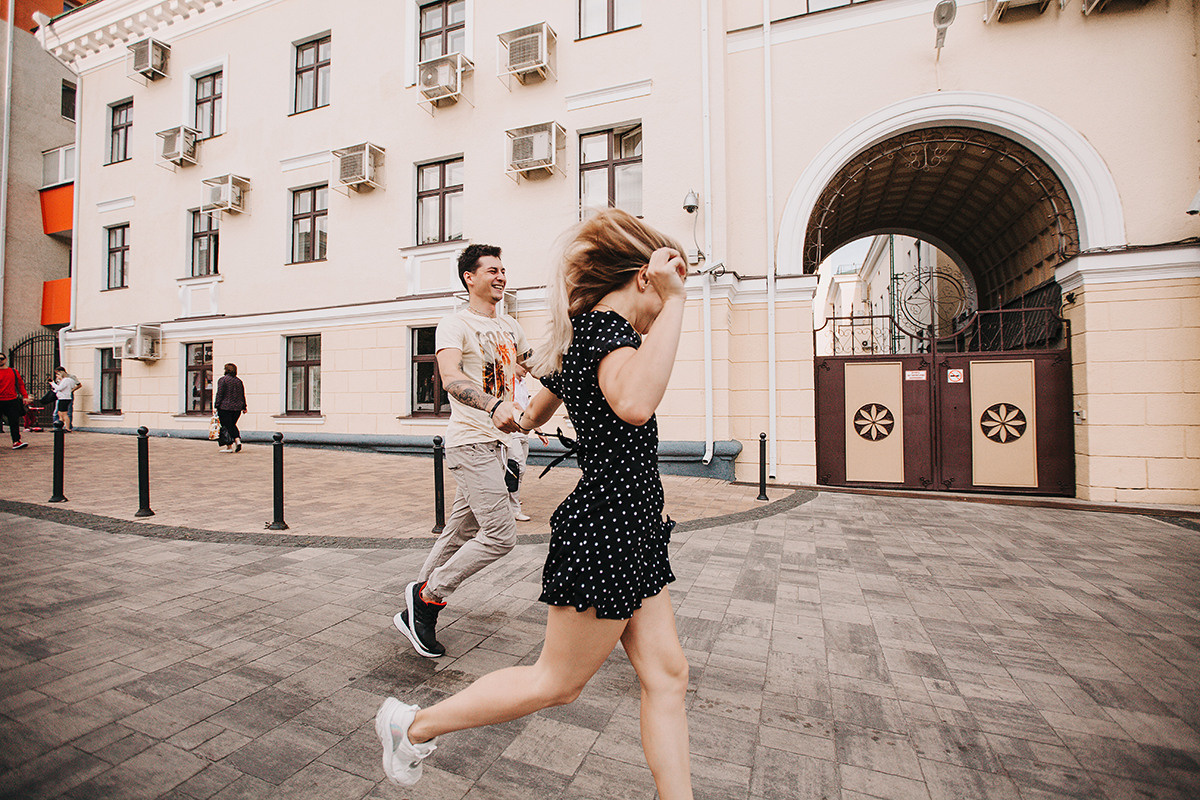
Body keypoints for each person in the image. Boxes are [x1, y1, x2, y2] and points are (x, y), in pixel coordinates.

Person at [377, 209, 694, 799]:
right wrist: (676, 300)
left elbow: (538, 405)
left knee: (668, 675)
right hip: (610, 529)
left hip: (635, 527)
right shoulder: (606, 332)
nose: (663, 313)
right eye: (663, 291)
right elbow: (634, 403)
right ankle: (411, 725)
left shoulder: (590, 339)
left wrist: (519, 415)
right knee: (556, 682)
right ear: (645, 278)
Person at [396, 244, 533, 659]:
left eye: (504, 270)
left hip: (499, 444)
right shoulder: (454, 324)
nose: (501, 277)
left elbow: (533, 367)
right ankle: (429, 598)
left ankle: (415, 603)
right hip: (470, 441)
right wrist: (493, 405)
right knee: (500, 535)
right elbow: (451, 376)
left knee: (460, 531)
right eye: (492, 270)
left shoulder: (510, 326)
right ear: (469, 278)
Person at [507, 364, 547, 522]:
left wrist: (539, 431)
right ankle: (514, 509)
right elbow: (516, 407)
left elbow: (529, 410)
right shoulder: (509, 382)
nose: (527, 368)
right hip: (512, 432)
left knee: (519, 470)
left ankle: (512, 498)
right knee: (517, 469)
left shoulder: (523, 384)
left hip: (524, 433)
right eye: (523, 365)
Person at [213, 362, 247, 453]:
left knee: (226, 426)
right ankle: (235, 442)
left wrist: (216, 405)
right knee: (231, 425)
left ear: (226, 370)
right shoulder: (238, 381)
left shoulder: (223, 380)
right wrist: (244, 406)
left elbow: (220, 394)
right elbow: (242, 395)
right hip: (237, 408)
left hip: (225, 407)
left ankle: (232, 444)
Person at [0, 353, 30, 449]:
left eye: (1, 358)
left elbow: (20, 384)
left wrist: (25, 396)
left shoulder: (13, 371)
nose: (0, 360)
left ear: (5, 360)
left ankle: (16, 441)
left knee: (14, 421)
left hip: (11, 400)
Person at [49, 367, 81, 432]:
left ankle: (68, 427)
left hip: (64, 397)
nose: (56, 375)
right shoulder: (63, 380)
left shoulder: (67, 379)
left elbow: (60, 388)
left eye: (57, 374)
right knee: (59, 412)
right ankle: (58, 426)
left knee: (65, 413)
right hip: (61, 396)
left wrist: (52, 384)